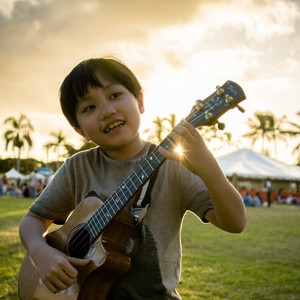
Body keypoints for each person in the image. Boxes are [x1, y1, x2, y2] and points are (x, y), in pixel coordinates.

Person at [19, 57, 246, 299]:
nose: (107, 111)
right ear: (80, 131)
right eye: (89, 107)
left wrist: (209, 168)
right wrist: (39, 251)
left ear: (140, 101)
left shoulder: (173, 166)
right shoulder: (78, 167)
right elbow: (34, 218)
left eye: (115, 95)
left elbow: (235, 222)